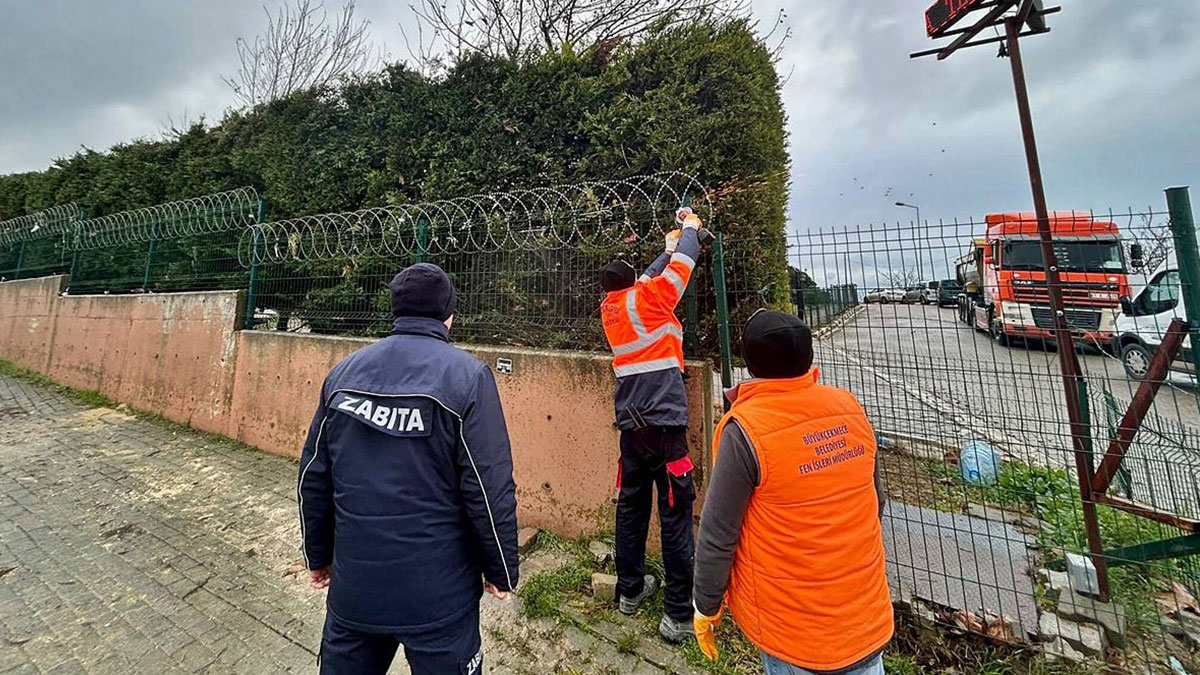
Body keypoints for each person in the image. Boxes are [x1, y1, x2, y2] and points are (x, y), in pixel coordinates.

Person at [297, 263, 519, 675]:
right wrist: (501, 569)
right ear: (448, 314)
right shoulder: (468, 378)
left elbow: (313, 476)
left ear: (395, 311)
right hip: (439, 598)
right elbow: (489, 489)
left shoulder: (342, 374)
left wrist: (318, 554)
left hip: (355, 591)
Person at [692, 310, 892, 675]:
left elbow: (718, 533)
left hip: (794, 634)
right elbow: (876, 501)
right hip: (866, 619)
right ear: (808, 356)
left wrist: (705, 605)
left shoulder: (746, 429)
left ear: (750, 364)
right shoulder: (849, 408)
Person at [598, 208, 703, 644]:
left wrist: (664, 249)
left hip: (632, 426)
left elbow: (649, 276)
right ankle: (678, 615)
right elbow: (686, 264)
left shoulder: (612, 307)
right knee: (676, 516)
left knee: (631, 508)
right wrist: (690, 228)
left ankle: (629, 590)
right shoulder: (655, 299)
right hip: (666, 424)